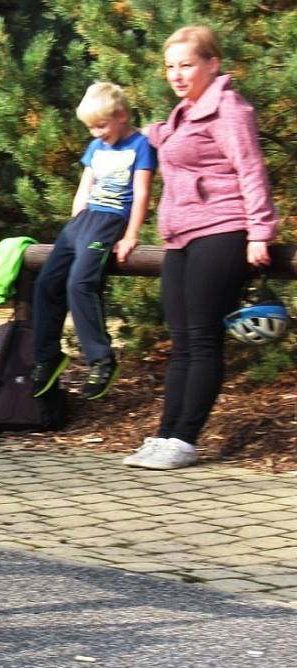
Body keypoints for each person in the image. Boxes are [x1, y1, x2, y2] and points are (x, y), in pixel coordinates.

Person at [123, 25, 278, 470]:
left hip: (223, 230)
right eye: (170, 66)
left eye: (186, 64)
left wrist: (260, 231)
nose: (176, 74)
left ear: (213, 64)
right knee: (182, 342)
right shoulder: (182, 114)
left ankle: (185, 439)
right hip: (181, 237)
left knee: (203, 339)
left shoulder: (230, 110)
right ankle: (165, 434)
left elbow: (250, 169)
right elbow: (151, 140)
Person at [30, 82, 157, 401]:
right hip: (82, 221)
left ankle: (101, 360)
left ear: (122, 115)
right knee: (47, 283)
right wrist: (75, 224)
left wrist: (131, 235)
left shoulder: (140, 145)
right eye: (90, 128)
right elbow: (85, 186)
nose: (96, 133)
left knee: (79, 284)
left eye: (101, 125)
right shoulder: (96, 148)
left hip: (111, 220)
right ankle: (48, 358)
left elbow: (141, 193)